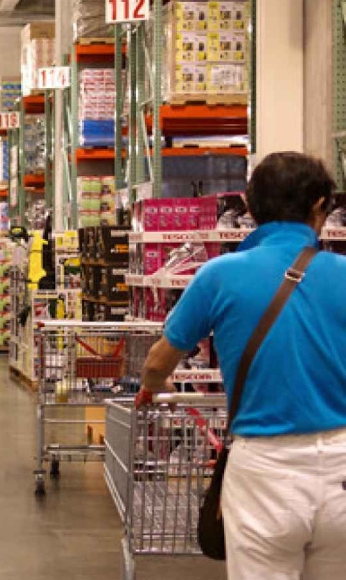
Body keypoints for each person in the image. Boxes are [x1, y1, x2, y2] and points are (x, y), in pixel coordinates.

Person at [137, 152, 346, 580]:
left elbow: (159, 360)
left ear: (249, 209)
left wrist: (152, 387)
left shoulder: (219, 274)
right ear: (320, 206)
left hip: (265, 471)